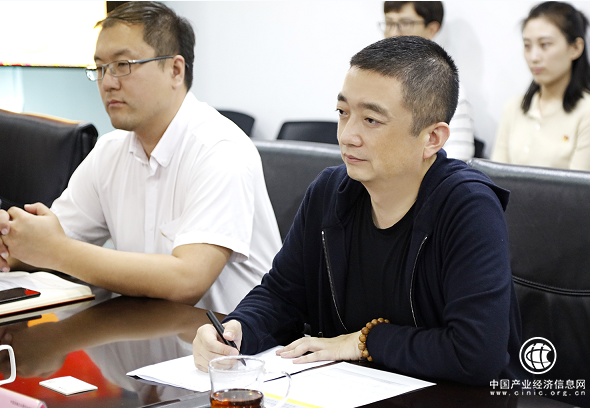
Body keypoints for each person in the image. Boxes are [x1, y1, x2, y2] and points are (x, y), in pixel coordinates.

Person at [193, 36, 528, 385]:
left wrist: (363, 341)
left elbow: (476, 353)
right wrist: (237, 329)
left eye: (371, 120)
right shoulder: (329, 192)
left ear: (432, 138)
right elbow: (282, 295)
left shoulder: (468, 206)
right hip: (349, 389)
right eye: (343, 113)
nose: (346, 135)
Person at [0, 2, 281, 314]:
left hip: (234, 340)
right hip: (146, 331)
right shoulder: (110, 152)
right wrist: (13, 241)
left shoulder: (221, 150)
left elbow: (187, 281)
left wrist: (56, 250)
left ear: (175, 70)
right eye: (100, 68)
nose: (108, 82)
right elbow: (51, 241)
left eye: (123, 65)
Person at [492, 1, 590, 170]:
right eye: (527, 46)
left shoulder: (585, 112)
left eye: (545, 44)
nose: (534, 57)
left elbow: (578, 186)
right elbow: (495, 175)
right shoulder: (514, 108)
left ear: (575, 48)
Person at [380, 1, 476, 161]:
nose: (393, 33)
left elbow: (457, 159)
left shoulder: (448, 88)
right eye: (389, 23)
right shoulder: (372, 82)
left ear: (431, 29)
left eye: (405, 23)